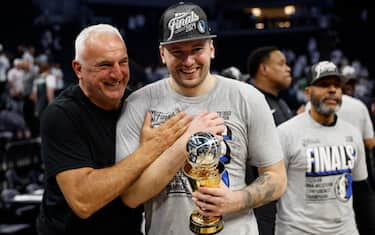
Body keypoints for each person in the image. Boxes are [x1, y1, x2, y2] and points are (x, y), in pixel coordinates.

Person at [116, 2, 287, 235]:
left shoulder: (246, 97)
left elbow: (276, 178)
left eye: (197, 49)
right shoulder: (138, 104)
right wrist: (186, 143)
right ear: (162, 54)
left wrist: (237, 200)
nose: (188, 61)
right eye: (177, 52)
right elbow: (131, 197)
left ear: (211, 49)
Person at [36, 23, 203, 234]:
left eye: (123, 62)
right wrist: (149, 150)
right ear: (78, 69)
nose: (117, 74)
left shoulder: (137, 105)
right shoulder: (61, 115)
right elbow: (83, 201)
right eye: (104, 65)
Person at [276, 61, 368, 235]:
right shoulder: (285, 133)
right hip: (298, 230)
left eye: (337, 85)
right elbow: (271, 191)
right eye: (324, 85)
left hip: (345, 230)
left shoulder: (353, 133)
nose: (332, 90)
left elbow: (361, 190)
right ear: (308, 92)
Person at [246, 46, 293, 235]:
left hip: (285, 203)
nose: (288, 68)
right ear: (264, 69)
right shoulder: (248, 100)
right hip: (260, 206)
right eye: (281, 64)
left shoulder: (281, 103)